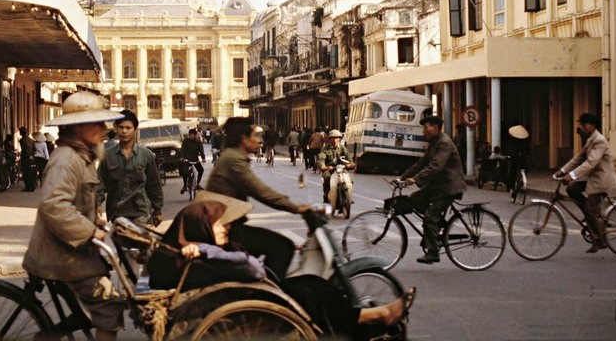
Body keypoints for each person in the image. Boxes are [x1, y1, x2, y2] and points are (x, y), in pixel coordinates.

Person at [148, 195, 416, 339]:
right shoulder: (202, 252)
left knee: (313, 285)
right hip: (241, 296)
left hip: (241, 290)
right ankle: (373, 318)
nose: (228, 227)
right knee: (309, 294)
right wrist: (211, 250)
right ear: (203, 227)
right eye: (221, 223)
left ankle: (366, 322)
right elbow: (252, 269)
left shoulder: (189, 248)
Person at [22, 91, 126, 341]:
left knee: (88, 309)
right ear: (79, 126)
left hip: (73, 251)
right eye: (97, 122)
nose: (104, 128)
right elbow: (54, 206)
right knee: (109, 305)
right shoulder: (67, 159)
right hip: (61, 256)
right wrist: (90, 231)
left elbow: (74, 204)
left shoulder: (83, 155)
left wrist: (95, 221)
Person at [205, 116, 312, 279]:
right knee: (283, 247)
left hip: (226, 225)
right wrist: (296, 208)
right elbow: (261, 192)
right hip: (225, 230)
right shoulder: (233, 160)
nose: (260, 141)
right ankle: (272, 294)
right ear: (244, 139)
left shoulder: (232, 157)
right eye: (256, 136)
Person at [400, 115, 467, 264]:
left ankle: (433, 252)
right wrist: (403, 177)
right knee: (414, 200)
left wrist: (416, 179)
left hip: (449, 186)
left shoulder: (444, 143)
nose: (423, 131)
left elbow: (436, 166)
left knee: (430, 217)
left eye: (426, 127)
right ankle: (437, 224)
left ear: (435, 128)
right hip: (438, 185)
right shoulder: (434, 142)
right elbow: (422, 163)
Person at [554, 113, 616, 253]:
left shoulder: (599, 140)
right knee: (572, 189)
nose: (582, 127)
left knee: (590, 209)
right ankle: (591, 215)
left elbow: (591, 162)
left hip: (602, 179)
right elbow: (579, 158)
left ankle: (599, 240)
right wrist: (562, 171)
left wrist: (571, 175)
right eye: (581, 125)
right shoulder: (591, 139)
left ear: (593, 126)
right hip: (593, 178)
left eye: (585, 125)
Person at [97, 109, 163, 227]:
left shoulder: (145, 155)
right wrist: (97, 204)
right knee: (121, 243)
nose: (124, 131)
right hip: (117, 212)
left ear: (135, 130)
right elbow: (99, 183)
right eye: (121, 127)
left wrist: (157, 210)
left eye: (128, 128)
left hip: (140, 211)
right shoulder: (107, 155)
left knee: (137, 242)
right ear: (116, 128)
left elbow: (154, 184)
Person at [318, 129, 355, 205]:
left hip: (341, 168)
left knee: (349, 180)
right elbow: (321, 159)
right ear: (330, 139)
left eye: (337, 138)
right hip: (329, 169)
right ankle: (326, 196)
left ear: (339, 139)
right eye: (333, 138)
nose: (335, 140)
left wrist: (351, 164)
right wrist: (323, 166)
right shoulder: (325, 149)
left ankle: (348, 196)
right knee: (327, 180)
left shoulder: (342, 148)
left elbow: (349, 157)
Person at [180, 128, 206, 193]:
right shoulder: (185, 141)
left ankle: (198, 183)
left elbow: (201, 151)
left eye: (192, 134)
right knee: (184, 172)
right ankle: (185, 186)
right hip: (187, 160)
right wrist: (182, 157)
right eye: (190, 134)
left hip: (195, 160)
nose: (191, 136)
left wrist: (203, 158)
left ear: (195, 135)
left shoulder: (198, 142)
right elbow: (182, 150)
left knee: (201, 170)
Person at [19, 126, 37, 192]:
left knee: (26, 173)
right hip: (31, 158)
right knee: (31, 172)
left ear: (22, 133)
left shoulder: (22, 140)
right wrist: (32, 155)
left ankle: (28, 187)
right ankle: (32, 186)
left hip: (25, 158)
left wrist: (27, 155)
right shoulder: (31, 140)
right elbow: (34, 149)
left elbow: (24, 149)